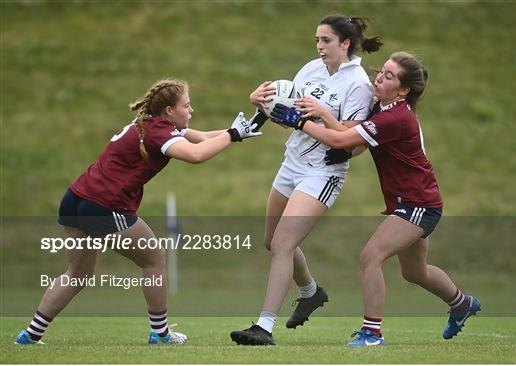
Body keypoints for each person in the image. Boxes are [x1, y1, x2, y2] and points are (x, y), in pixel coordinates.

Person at [15, 78, 261, 345]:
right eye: (187, 105)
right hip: (104, 205)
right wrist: (233, 134)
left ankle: (30, 335)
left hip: (75, 198)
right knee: (154, 259)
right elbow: (196, 155)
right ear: (169, 110)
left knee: (77, 274)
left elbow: (203, 138)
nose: (191, 110)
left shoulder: (150, 124)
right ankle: (160, 333)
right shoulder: (160, 133)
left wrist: (247, 126)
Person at [270, 51, 481, 346]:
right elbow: (347, 131)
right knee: (415, 272)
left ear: (404, 90)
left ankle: (372, 334)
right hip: (409, 202)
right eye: (382, 71)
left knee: (370, 257)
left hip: (418, 204)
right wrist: (323, 115)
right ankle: (461, 304)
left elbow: (342, 140)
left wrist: (301, 121)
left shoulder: (395, 117)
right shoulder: (382, 108)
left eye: (390, 76)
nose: (379, 77)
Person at [230, 15, 383, 346]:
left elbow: (353, 142)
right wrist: (263, 103)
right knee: (272, 242)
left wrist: (318, 115)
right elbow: (290, 119)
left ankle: (264, 327)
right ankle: (311, 293)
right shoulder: (310, 69)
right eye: (316, 40)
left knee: (284, 244)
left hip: (323, 172)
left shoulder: (358, 83)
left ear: (345, 43)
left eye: (326, 41)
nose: (319, 47)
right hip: (292, 163)